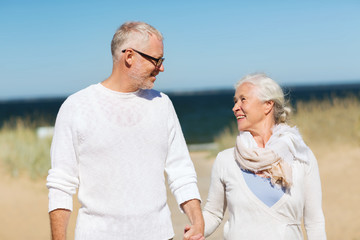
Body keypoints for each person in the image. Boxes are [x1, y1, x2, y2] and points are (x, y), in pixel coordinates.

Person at [46, 21, 204, 240]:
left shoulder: (162, 104)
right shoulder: (76, 106)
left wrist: (197, 220)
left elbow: (181, 170)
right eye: (156, 60)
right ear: (129, 56)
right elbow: (61, 184)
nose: (162, 67)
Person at [199, 73, 326, 239]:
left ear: (267, 105)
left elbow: (314, 222)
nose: (235, 107)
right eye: (235, 101)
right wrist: (196, 228)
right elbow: (213, 214)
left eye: (243, 99)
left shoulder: (301, 157)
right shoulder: (226, 160)